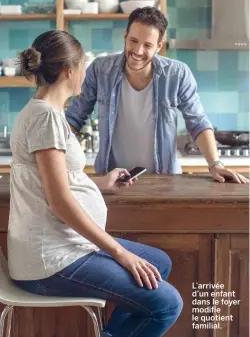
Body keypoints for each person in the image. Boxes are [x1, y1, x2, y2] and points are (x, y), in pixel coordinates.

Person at [8, 30, 183, 337]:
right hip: (51, 260)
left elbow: (56, 181)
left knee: (158, 263)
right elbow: (59, 201)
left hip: (62, 246)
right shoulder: (45, 118)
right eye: (84, 65)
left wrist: (101, 183)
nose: (86, 72)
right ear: (68, 71)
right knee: (167, 304)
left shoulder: (46, 113)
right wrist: (118, 252)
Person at [66, 7, 248, 184]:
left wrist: (215, 164)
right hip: (112, 181)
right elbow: (74, 118)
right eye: (133, 41)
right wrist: (51, 157)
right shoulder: (100, 69)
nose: (138, 51)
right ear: (125, 36)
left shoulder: (177, 74)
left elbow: (198, 123)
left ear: (159, 46)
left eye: (147, 45)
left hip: (163, 181)